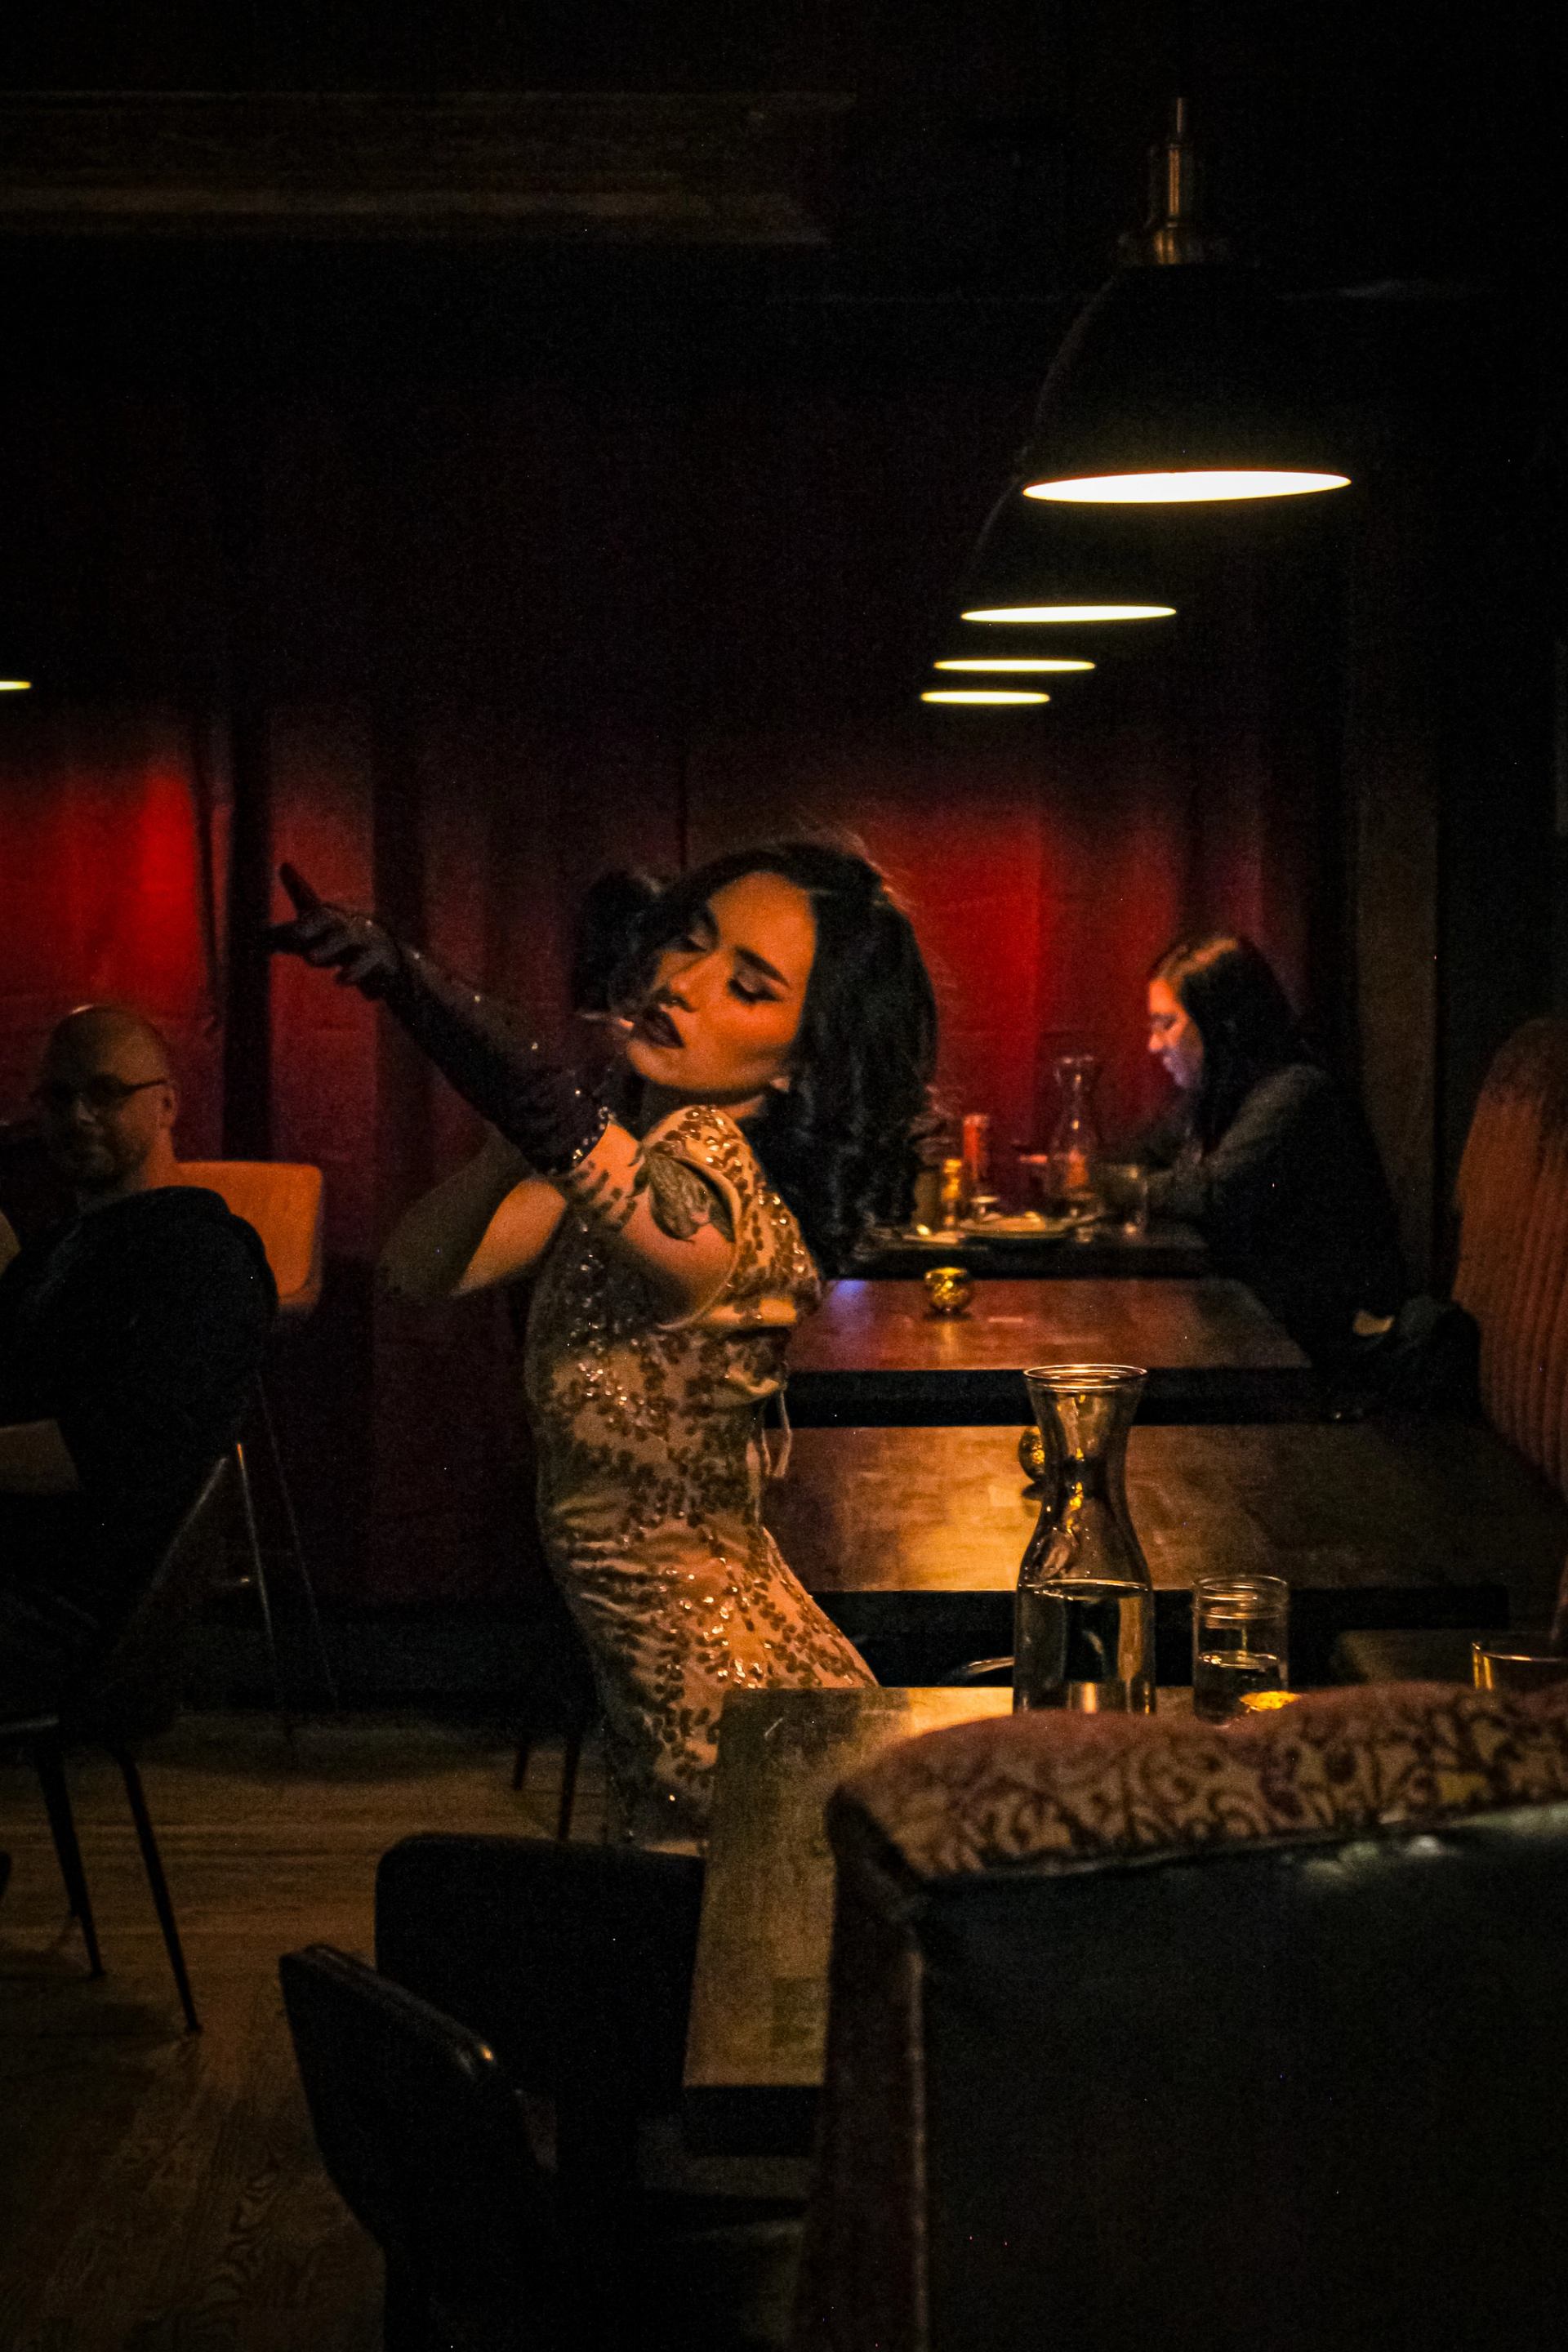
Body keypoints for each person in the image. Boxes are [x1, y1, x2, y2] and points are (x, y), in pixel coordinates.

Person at [270, 843, 938, 1846]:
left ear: (801, 1063)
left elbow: (553, 1110)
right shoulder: (634, 1168)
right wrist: (510, 1145)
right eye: (688, 943)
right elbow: (418, 1274)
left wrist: (416, 984)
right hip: (679, 1711)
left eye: (747, 989)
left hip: (730, 1720)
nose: (684, 985)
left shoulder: (713, 1191)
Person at [0, 1008, 276, 1718]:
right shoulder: (57, 1252)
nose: (78, 1115)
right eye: (58, 1098)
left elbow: (115, 1450)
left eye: (105, 1092)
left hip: (70, 1616)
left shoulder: (202, 1256)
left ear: (167, 1105)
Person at [1142, 933, 1408, 1374]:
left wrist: (1095, 1183)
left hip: (1323, 1363)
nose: (1154, 1045)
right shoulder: (1218, 1093)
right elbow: (1142, 1156)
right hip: (1264, 1341)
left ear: (1223, 1024)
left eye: (1166, 1023)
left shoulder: (1294, 1092)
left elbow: (1211, 1196)